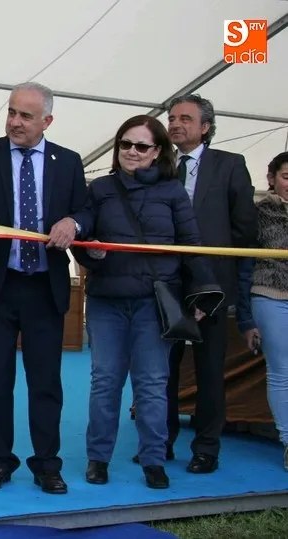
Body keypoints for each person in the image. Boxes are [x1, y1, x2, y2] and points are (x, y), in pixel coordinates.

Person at [0, 82, 90, 494]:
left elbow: (85, 208)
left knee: (45, 381)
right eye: (11, 112)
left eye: (25, 116)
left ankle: (47, 463)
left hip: (44, 287)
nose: (15, 122)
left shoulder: (68, 161)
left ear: (47, 120)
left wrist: (74, 224)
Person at [70, 115, 222, 489]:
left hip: (155, 305)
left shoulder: (173, 192)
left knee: (153, 384)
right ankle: (98, 458)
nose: (132, 152)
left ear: (158, 152)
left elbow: (192, 245)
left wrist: (204, 293)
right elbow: (83, 234)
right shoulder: (101, 188)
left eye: (142, 146)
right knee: (105, 382)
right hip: (106, 301)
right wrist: (93, 256)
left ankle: (154, 460)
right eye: (125, 144)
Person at [160, 94, 257, 473]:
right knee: (161, 369)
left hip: (212, 284)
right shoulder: (158, 164)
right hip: (165, 283)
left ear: (205, 127)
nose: (175, 124)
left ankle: (206, 448)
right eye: (171, 118)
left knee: (209, 371)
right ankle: (160, 442)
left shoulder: (230, 165)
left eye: (185, 118)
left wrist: (215, 283)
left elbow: (244, 228)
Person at [236, 151, 288, 471]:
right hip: (269, 295)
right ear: (270, 179)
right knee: (283, 372)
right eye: (287, 177)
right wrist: (245, 316)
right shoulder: (257, 213)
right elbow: (244, 265)